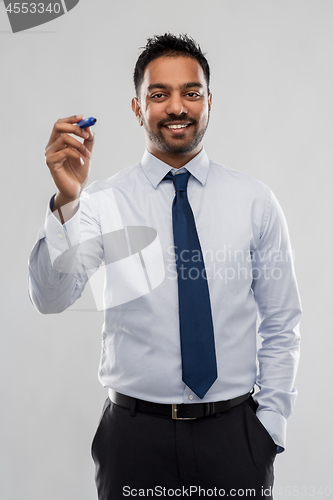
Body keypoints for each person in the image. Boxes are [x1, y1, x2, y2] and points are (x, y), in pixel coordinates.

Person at [28, 33, 302, 499]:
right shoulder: (100, 203)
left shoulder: (254, 201)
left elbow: (281, 321)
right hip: (135, 439)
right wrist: (67, 203)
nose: (178, 106)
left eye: (191, 92)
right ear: (137, 109)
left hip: (234, 439)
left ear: (209, 102)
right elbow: (51, 299)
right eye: (159, 94)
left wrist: (268, 428)